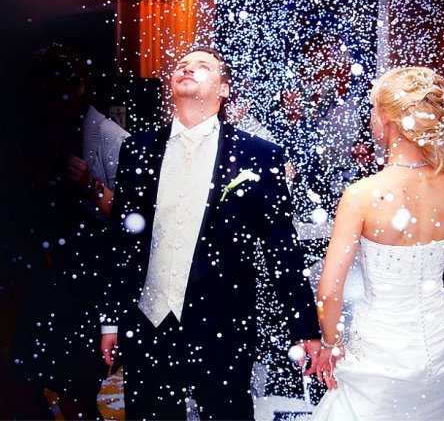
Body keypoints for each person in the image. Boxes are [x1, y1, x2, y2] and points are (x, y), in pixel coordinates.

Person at [99, 46, 321, 420]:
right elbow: (121, 243)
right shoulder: (137, 150)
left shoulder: (258, 156)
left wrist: (305, 329)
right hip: (148, 322)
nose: (188, 69)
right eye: (182, 65)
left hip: (223, 326)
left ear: (223, 89)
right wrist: (111, 318)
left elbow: (282, 250)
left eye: (202, 66)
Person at [310, 66, 444, 420]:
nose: (371, 117)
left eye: (374, 109)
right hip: (438, 343)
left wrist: (330, 344)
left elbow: (329, 290)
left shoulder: (362, 195)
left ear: (387, 119)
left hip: (377, 349)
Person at [5, 44, 128, 419]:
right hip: (45, 279)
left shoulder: (109, 136)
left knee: (76, 394)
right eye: (43, 90)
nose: (50, 99)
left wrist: (90, 185)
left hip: (86, 286)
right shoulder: (38, 134)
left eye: (59, 88)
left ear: (79, 87)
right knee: (20, 385)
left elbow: (131, 220)